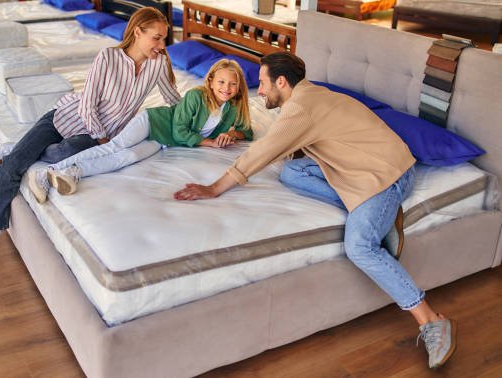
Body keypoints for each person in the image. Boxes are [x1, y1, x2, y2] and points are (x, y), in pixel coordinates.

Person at [174, 52, 457, 369]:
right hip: (357, 167)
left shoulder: (302, 106)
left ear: (282, 81)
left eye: (264, 84)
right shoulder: (310, 94)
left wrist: (214, 188)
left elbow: (262, 152)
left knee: (360, 245)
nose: (261, 91)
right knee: (291, 172)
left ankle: (431, 320)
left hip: (386, 174)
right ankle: (379, 215)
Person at [0, 7, 181, 256]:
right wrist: (101, 137)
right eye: (157, 38)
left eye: (164, 38)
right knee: (12, 163)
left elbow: (174, 99)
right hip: (67, 116)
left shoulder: (158, 64)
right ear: (138, 32)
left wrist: (200, 119)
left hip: (90, 137)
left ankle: (26, 147)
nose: (162, 45)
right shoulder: (108, 57)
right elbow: (88, 103)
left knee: (67, 151)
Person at [28, 58, 253, 201]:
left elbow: (247, 131)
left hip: (163, 141)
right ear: (211, 81)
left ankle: (73, 172)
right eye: (222, 82)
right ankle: (46, 172)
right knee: (115, 146)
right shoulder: (196, 96)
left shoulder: (232, 108)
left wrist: (231, 134)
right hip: (154, 122)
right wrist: (211, 142)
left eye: (232, 84)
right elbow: (180, 132)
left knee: (126, 158)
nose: (227, 88)